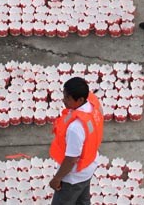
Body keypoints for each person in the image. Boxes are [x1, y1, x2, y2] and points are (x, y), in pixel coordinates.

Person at [49, 77, 103, 205]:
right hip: (88, 167)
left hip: (73, 177)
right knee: (82, 201)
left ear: (80, 99)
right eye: (64, 95)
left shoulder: (75, 128)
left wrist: (57, 179)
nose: (64, 100)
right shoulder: (93, 105)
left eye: (68, 98)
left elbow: (71, 159)